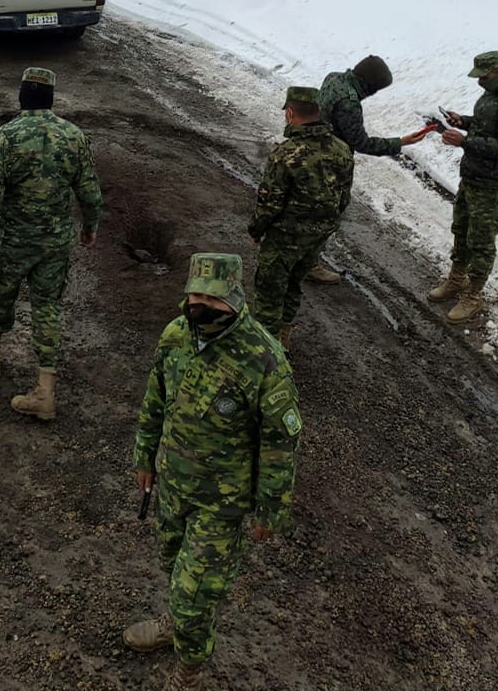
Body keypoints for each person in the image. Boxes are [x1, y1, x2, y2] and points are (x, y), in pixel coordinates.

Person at [126, 253, 300, 691]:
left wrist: (270, 508)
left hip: (221, 503)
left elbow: (281, 442)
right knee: (171, 563)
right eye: (195, 294)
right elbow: (155, 399)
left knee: (194, 594)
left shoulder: (263, 358)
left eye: (212, 298)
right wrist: (145, 456)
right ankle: (178, 624)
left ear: (234, 299)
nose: (200, 304)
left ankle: (188, 673)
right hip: (172, 484)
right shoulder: (176, 335)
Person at [0, 67, 103, 421]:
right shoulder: (73, 137)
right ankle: (45, 390)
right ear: (51, 98)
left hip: (13, 240)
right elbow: (89, 191)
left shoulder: (5, 138)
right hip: (54, 242)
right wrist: (90, 226)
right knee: (47, 307)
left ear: (22, 96)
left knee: (1, 295)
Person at [246, 87, 353, 350]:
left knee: (269, 291)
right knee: (294, 284)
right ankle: (284, 335)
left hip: (284, 237)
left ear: (290, 113)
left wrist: (256, 230)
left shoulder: (286, 154)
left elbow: (270, 203)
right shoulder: (342, 150)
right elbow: (344, 197)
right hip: (316, 237)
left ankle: (265, 351)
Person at [306, 55, 429, 282]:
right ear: (370, 85)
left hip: (310, 149)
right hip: (331, 162)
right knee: (328, 214)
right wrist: (400, 142)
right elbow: (361, 143)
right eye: (376, 89)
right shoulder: (350, 103)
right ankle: (308, 263)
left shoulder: (334, 78)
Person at [430, 50, 498, 323]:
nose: (479, 81)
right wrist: (465, 122)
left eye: (483, 75)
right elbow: (488, 127)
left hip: (493, 183)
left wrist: (464, 141)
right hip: (473, 175)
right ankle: (456, 280)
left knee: (481, 239)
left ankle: (473, 295)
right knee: (461, 228)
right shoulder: (492, 95)